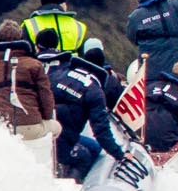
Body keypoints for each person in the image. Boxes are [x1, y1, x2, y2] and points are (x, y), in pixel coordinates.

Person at [47, 44, 128, 182]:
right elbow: (101, 131)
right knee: (85, 157)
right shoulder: (95, 91)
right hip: (63, 143)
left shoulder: (58, 74)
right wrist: (120, 155)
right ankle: (74, 187)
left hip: (45, 137)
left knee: (93, 147)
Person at [0, 19, 57, 141]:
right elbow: (46, 97)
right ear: (21, 37)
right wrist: (45, 117)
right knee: (56, 127)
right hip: (28, 125)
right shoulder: (34, 64)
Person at [21, 0, 88, 54]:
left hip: (41, 63)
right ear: (63, 4)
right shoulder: (79, 26)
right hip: (72, 64)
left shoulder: (29, 25)